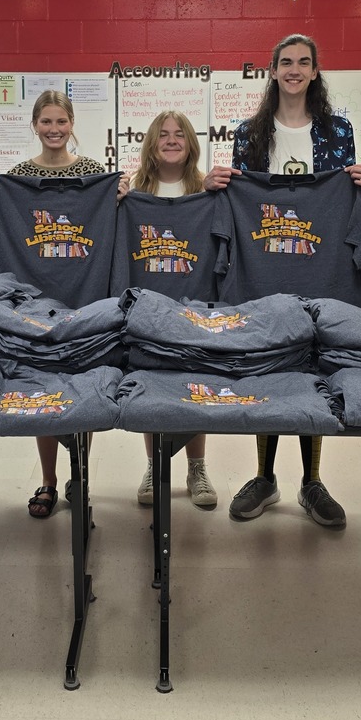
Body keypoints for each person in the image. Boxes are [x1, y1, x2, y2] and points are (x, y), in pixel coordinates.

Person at [205, 33, 361, 528]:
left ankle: (311, 481)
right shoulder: (250, 132)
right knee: (267, 363)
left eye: (304, 62)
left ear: (315, 71)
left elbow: (348, 197)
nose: (295, 70)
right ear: (274, 70)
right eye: (286, 62)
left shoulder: (337, 130)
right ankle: (264, 477)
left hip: (320, 263)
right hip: (264, 265)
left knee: (314, 365)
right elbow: (236, 202)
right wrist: (211, 186)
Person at [4, 90, 128, 518]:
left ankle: (80, 474)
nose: (54, 129)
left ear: (72, 123)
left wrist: (120, 194)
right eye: (46, 122)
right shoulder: (18, 175)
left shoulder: (94, 173)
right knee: (44, 386)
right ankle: (48, 480)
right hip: (37, 296)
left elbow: (114, 217)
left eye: (61, 121)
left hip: (85, 292)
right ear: (35, 125)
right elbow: (6, 214)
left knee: (82, 388)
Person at [128, 110, 217, 508]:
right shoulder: (135, 191)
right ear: (152, 142)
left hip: (195, 302)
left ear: (190, 143)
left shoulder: (206, 190)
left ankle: (197, 467)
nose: (171, 140)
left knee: (195, 384)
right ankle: (154, 465)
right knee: (152, 384)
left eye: (179, 134)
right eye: (163, 134)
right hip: (149, 304)